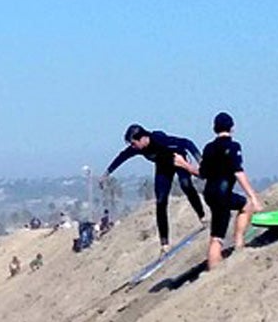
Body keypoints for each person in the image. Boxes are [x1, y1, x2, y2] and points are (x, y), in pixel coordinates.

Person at [105, 124, 207, 253]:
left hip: (177, 160)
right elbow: (122, 157)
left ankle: (202, 217)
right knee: (160, 201)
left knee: (185, 185)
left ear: (142, 138)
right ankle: (164, 243)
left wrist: (200, 160)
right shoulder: (137, 148)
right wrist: (107, 173)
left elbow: (187, 143)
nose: (132, 147)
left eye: (133, 143)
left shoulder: (159, 139)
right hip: (163, 167)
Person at [194, 112, 265, 270]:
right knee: (217, 237)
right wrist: (253, 196)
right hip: (222, 195)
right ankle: (213, 271)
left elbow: (202, 173)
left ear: (214, 128)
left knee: (244, 206)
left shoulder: (209, 148)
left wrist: (185, 166)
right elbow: (238, 172)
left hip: (210, 193)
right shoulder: (233, 147)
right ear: (232, 128)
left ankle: (239, 243)